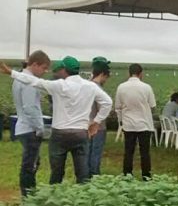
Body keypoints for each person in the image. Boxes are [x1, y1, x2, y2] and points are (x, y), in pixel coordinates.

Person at [2, 56, 112, 185]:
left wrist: (11, 72)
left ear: (64, 70)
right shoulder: (90, 86)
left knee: (57, 172)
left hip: (60, 134)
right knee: (82, 173)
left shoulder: (58, 85)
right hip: (81, 134)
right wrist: (96, 122)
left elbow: (34, 82)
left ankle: (55, 196)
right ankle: (84, 198)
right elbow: (107, 102)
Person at [10, 50, 51, 196]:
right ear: (35, 64)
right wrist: (40, 128)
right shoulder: (28, 82)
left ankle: (28, 193)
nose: (45, 71)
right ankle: (28, 196)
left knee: (32, 162)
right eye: (44, 68)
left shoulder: (20, 78)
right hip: (30, 128)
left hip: (23, 126)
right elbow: (30, 107)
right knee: (30, 165)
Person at [115, 63, 156, 180]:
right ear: (141, 74)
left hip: (128, 124)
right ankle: (146, 175)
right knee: (145, 152)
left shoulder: (121, 87)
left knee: (128, 152)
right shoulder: (147, 87)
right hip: (144, 124)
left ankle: (127, 175)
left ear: (128, 73)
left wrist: (121, 121)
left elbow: (118, 106)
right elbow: (152, 105)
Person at [88, 57, 112, 177]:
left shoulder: (86, 86)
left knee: (87, 152)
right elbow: (103, 107)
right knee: (95, 153)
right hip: (98, 127)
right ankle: (94, 176)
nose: (106, 80)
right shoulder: (98, 89)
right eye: (106, 77)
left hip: (86, 124)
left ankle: (85, 176)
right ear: (102, 74)